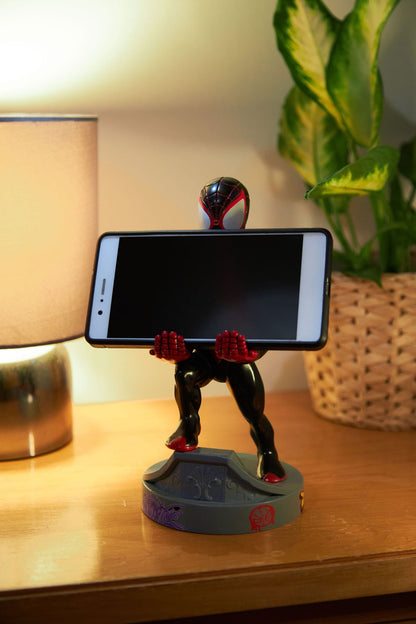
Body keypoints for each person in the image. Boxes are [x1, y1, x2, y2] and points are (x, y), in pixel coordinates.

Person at [150, 177, 286, 483]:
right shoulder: (190, 262)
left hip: (237, 352)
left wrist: (252, 351)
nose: (215, 224)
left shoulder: (254, 263)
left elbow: (265, 317)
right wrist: (178, 348)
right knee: (184, 373)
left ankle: (268, 454)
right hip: (204, 351)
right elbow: (182, 309)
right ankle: (189, 425)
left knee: (253, 413)